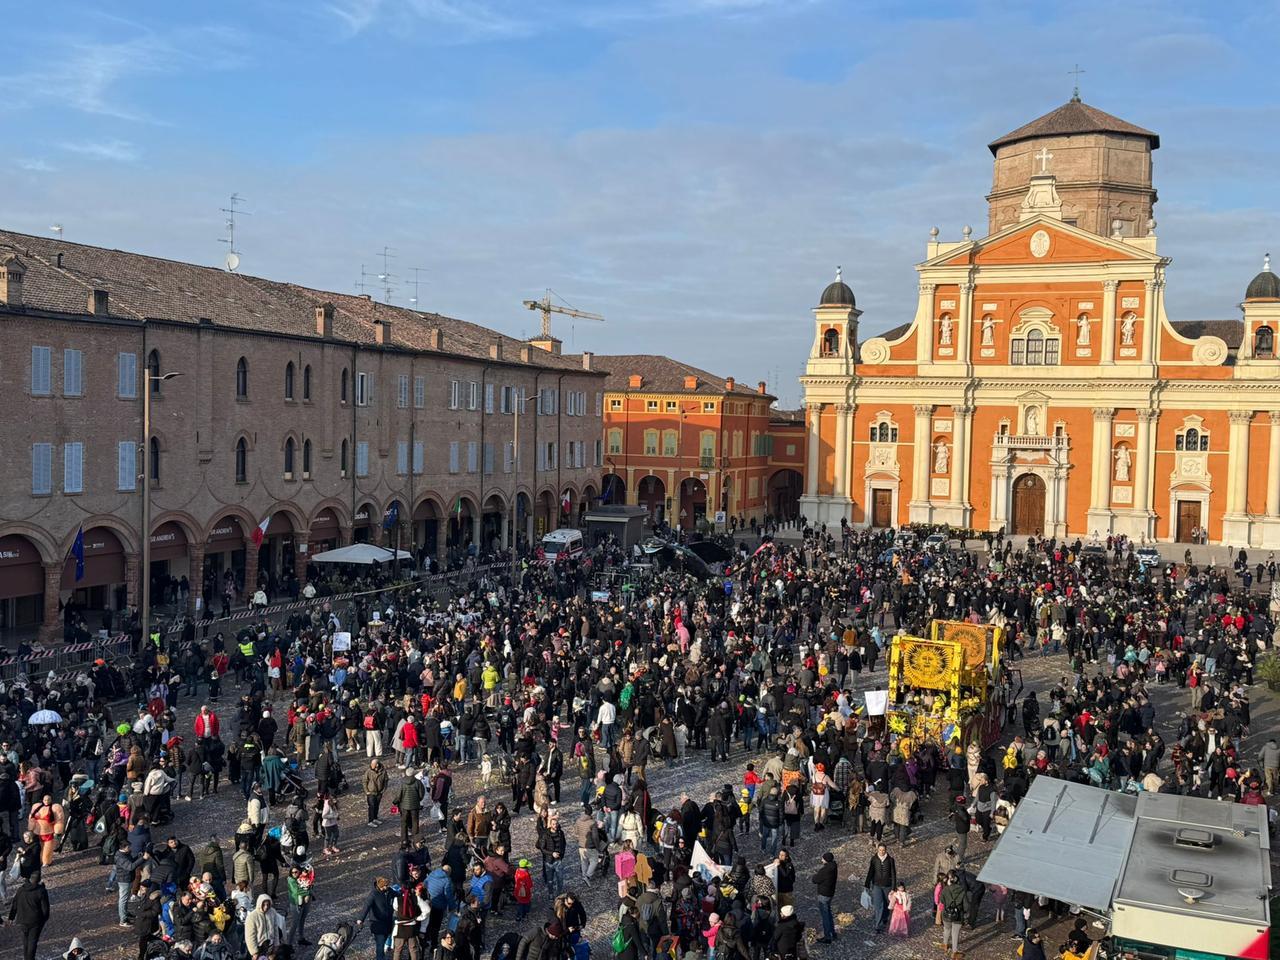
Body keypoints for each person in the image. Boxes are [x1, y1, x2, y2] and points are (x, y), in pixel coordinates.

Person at [7, 875, 50, 960]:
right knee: (32, 942)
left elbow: (15, 904)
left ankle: (26, 958)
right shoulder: (41, 891)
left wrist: (11, 917)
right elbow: (45, 909)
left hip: (22, 920)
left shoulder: (21, 890)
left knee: (25, 941)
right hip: (35, 921)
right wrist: (43, 920)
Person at [357, 877, 395, 960]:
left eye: (387, 885)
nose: (386, 887)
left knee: (383, 941)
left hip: (387, 923)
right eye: (385, 886)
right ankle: (380, 958)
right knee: (380, 944)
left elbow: (397, 894)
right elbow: (366, 906)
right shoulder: (373, 894)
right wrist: (360, 919)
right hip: (377, 924)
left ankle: (381, 957)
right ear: (380, 886)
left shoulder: (389, 891)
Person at [863, 842, 896, 934]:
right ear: (877, 850)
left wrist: (894, 887)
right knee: (878, 905)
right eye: (880, 850)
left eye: (883, 850)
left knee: (886, 903)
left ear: (886, 850)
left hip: (887, 886)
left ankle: (885, 918)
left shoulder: (890, 860)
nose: (881, 852)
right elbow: (871, 871)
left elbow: (893, 874)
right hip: (876, 885)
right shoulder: (874, 859)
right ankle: (878, 925)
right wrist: (867, 884)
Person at [811, 851, 838, 943]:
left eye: (823, 858)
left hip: (824, 894)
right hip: (830, 893)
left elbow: (815, 879)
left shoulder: (825, 870)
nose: (821, 859)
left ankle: (828, 936)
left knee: (825, 916)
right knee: (828, 914)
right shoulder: (834, 867)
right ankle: (832, 933)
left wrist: (815, 875)